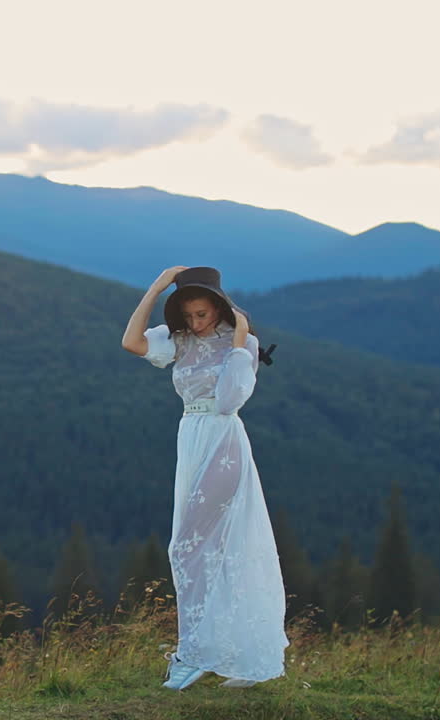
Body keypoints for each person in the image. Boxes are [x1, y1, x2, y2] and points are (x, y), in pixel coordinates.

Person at [121, 265, 289, 691]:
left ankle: (192, 654)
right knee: (212, 549)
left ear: (219, 306)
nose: (197, 322)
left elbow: (231, 399)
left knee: (187, 547)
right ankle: (230, 653)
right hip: (191, 438)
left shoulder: (243, 344)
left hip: (223, 439)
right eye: (189, 314)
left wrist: (237, 342)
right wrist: (156, 287)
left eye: (203, 313)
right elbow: (131, 342)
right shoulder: (177, 340)